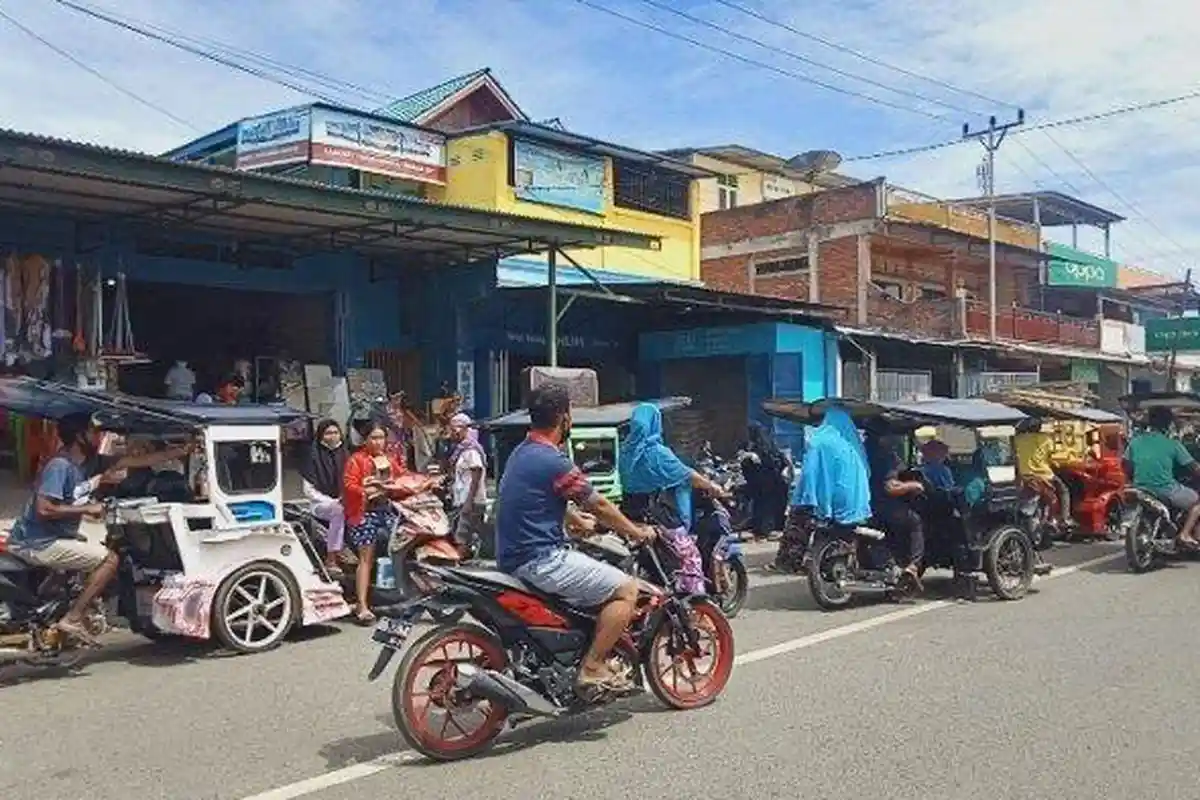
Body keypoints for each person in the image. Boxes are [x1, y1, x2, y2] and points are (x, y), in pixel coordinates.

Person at [495, 383, 656, 698]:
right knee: (626, 589)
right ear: (564, 418)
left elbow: (541, 496)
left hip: (512, 558)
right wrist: (635, 532)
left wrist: (576, 521)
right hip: (541, 559)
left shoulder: (521, 452)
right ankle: (593, 667)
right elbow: (599, 504)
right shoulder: (553, 460)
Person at [7, 413, 195, 643]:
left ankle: (49, 608)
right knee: (109, 560)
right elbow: (44, 509)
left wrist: (180, 451)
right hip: (36, 542)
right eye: (93, 432)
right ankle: (73, 618)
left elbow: (134, 461)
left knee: (87, 549)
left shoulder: (90, 463)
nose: (98, 437)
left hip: (55, 536)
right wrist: (87, 508)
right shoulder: (60, 466)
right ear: (79, 437)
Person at [617, 402, 728, 595]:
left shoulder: (626, 451)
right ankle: (694, 601)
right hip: (656, 516)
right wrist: (713, 487)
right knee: (689, 556)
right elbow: (688, 475)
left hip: (628, 513)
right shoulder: (657, 453)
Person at [343, 417, 441, 623]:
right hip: (364, 514)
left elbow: (403, 476)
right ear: (365, 439)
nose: (378, 442)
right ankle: (362, 605)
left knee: (403, 546)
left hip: (387, 511)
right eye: (374, 438)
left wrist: (425, 481)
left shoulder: (387, 459)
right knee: (366, 558)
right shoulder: (356, 460)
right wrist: (367, 490)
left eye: (381, 438)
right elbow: (349, 485)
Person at [780, 405, 872, 570]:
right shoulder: (855, 444)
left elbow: (809, 473)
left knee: (799, 517)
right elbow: (867, 472)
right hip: (858, 503)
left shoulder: (819, 440)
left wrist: (805, 496)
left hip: (830, 500)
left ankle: (790, 561)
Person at [1125, 406, 1200, 548]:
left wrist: (1133, 478)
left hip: (1139, 487)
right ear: (1169, 424)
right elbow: (1193, 467)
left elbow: (1126, 465)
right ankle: (1185, 534)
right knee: (1197, 501)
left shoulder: (1135, 442)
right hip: (1165, 489)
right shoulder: (1173, 444)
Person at [865, 424, 925, 588]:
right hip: (882, 505)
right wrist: (914, 486)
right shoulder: (886, 456)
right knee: (915, 522)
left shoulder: (862, 451)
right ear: (884, 437)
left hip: (863, 505)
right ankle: (913, 566)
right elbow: (890, 488)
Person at [301, 419, 349, 576]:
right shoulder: (312, 456)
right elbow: (309, 491)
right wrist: (333, 501)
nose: (333, 436)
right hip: (320, 504)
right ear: (321, 435)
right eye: (328, 433)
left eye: (335, 432)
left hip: (345, 500)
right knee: (338, 511)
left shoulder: (345, 453)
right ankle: (331, 558)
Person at [1014, 418, 1073, 531]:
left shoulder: (1019, 439)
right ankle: (1065, 518)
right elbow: (1053, 456)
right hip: (1044, 475)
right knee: (1064, 490)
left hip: (1026, 476)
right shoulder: (1045, 439)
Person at [447, 412, 487, 549]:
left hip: (471, 502)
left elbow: (477, 473)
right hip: (462, 500)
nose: (452, 433)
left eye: (454, 429)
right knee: (461, 535)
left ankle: (459, 557)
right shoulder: (461, 450)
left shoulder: (471, 450)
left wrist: (469, 501)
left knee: (461, 537)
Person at [743, 423, 789, 539]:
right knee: (768, 506)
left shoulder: (759, 450)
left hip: (767, 483)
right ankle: (770, 529)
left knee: (762, 506)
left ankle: (762, 530)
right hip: (771, 483)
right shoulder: (770, 446)